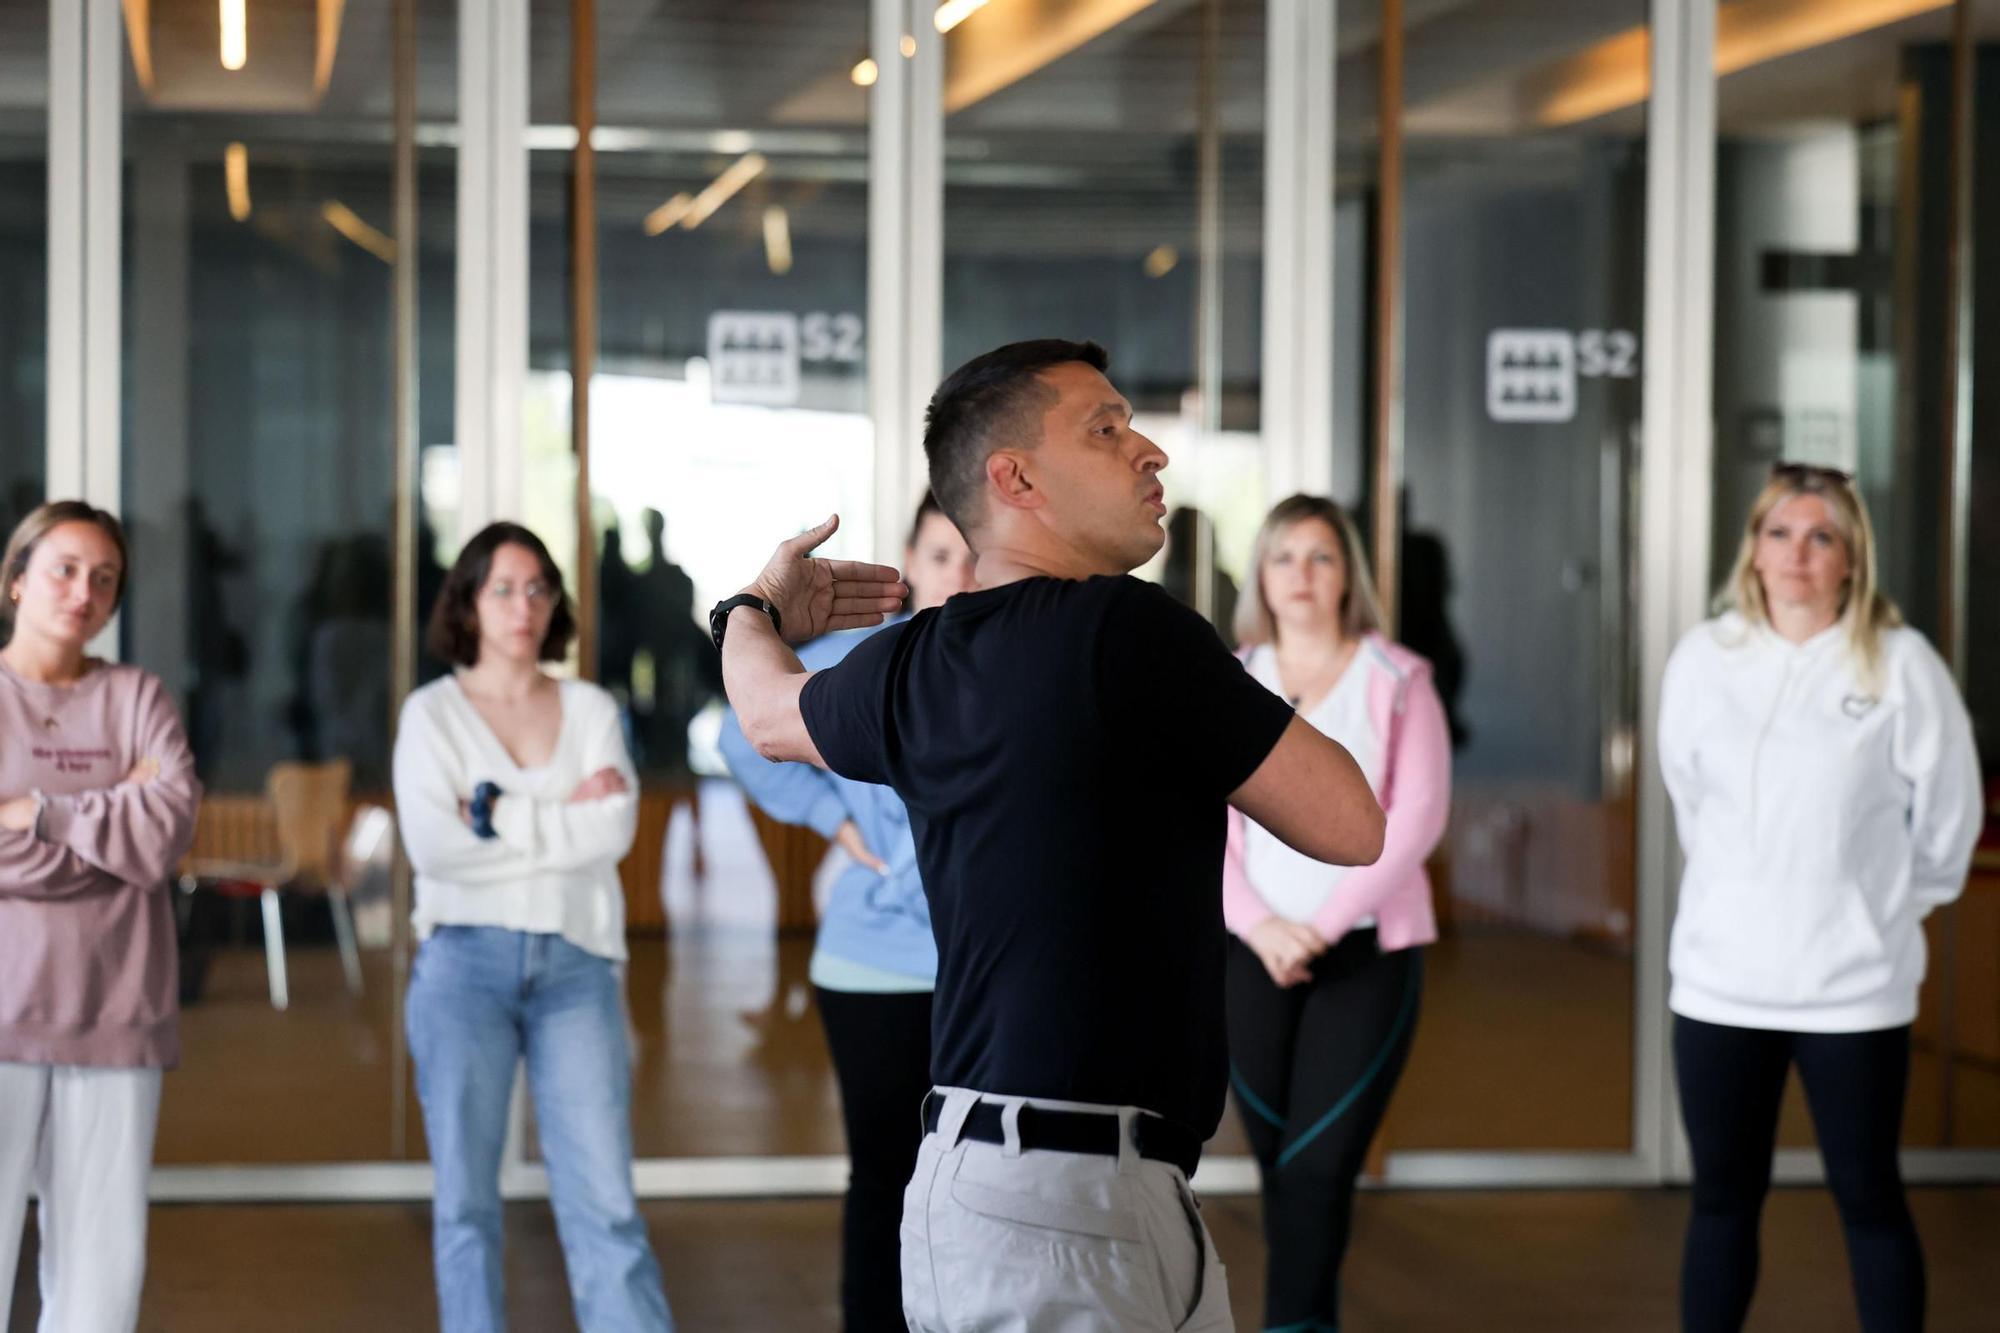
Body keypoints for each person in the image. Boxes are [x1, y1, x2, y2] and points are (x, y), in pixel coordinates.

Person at [715, 339, 1385, 1333]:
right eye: (1105, 429)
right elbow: (1348, 821)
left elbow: (765, 710)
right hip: (1066, 1206)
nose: (1148, 450)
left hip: (1028, 1189)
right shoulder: (1129, 632)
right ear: (1014, 477)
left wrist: (755, 603)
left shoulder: (911, 664)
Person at [1660, 463, 1981, 1333]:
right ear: (1753, 553)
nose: (1797, 554)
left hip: (1854, 989)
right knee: (1722, 1200)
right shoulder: (1703, 657)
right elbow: (1692, 800)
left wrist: (1877, 910)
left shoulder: (1902, 664)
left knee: (1869, 1194)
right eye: (1779, 534)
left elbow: (1950, 819)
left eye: (1821, 537)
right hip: (1721, 985)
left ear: (1851, 559)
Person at [394, 521, 673, 1333]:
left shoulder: (589, 705)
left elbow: (611, 834)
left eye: (539, 587)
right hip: (460, 967)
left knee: (607, 1208)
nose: (525, 605)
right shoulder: (432, 715)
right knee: (465, 1206)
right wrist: (556, 818)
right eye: (504, 588)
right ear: (469, 602)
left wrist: (494, 811)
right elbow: (434, 850)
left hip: (576, 965)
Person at [718, 491, 976, 1331]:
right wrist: (834, 819)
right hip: (873, 966)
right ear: (910, 563)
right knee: (887, 1176)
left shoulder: (1023, 663)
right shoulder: (863, 655)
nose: (962, 574)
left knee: (986, 1183)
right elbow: (739, 731)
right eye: (941, 555)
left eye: (976, 553)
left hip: (991, 972)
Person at [1218, 494, 1450, 1332]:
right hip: (1252, 955)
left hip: (1364, 955)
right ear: (1261, 577)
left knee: (1318, 1169)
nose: (1302, 575)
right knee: (1284, 1173)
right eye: (1283, 557)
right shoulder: (1229, 679)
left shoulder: (1397, 678)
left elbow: (1415, 816)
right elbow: (1205, 819)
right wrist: (1258, 925)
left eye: (1321, 557)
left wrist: (1321, 922)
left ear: (1349, 573)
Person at [0, 501, 202, 1333]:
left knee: (102, 1285)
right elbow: (135, 835)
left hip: (119, 1016)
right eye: (64, 568)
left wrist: (39, 812)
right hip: (2, 1017)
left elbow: (165, 835)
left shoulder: (137, 695)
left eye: (105, 577)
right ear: (15, 581)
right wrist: (114, 814)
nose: (84, 590)